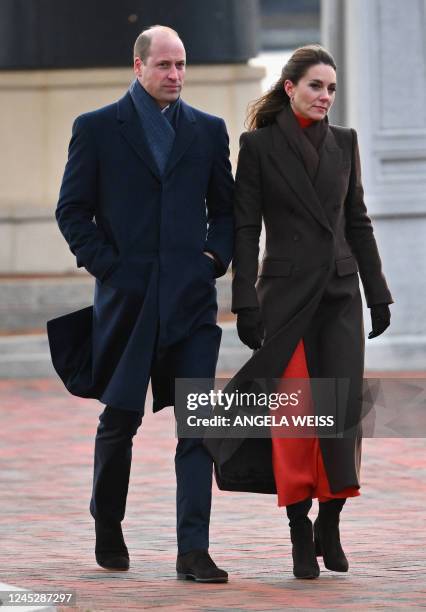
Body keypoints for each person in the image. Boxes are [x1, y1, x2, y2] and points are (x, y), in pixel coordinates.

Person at [49, 25, 233, 582]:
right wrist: (111, 269)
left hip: (191, 303)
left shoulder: (207, 130)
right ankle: (108, 522)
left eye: (181, 65)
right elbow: (72, 210)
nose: (175, 75)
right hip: (128, 302)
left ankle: (193, 550)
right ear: (138, 66)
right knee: (119, 421)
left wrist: (211, 260)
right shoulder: (98, 129)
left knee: (198, 426)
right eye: (164, 66)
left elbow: (226, 210)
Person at [205, 45, 392, 579]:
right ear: (290, 88)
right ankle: (297, 528)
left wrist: (376, 291)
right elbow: (245, 229)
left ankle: (329, 521)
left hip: (338, 296)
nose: (325, 97)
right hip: (284, 301)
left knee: (339, 418)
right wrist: (244, 301)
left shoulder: (345, 143)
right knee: (294, 422)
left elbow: (358, 222)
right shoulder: (258, 146)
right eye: (315, 86)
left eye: (331, 89)